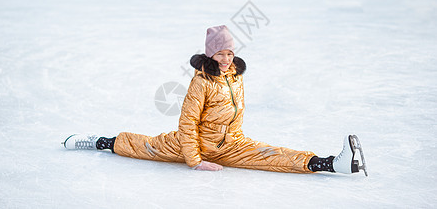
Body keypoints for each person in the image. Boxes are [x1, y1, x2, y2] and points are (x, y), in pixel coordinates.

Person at [63, 25, 367, 175]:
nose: (225, 58)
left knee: (271, 154)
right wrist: (195, 161)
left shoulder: (235, 75)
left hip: (231, 143)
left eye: (230, 52)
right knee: (146, 146)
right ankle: (100, 141)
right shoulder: (201, 82)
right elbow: (187, 122)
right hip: (195, 142)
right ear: (210, 54)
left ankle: (328, 164)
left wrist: (229, 142)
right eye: (220, 53)